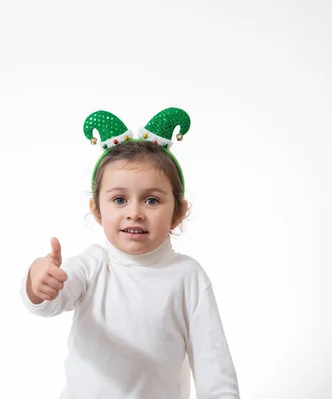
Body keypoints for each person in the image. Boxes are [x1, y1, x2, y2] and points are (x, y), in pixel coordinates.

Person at [21, 108, 240, 398]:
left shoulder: (188, 278)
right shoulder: (92, 266)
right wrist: (39, 280)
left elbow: (213, 364)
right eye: (119, 199)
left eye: (151, 200)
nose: (134, 213)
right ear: (98, 211)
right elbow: (49, 302)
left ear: (178, 213)